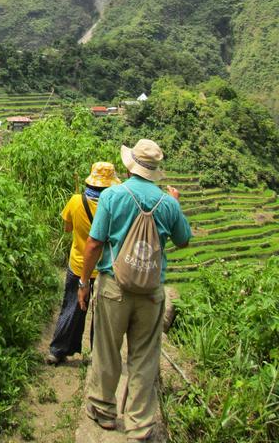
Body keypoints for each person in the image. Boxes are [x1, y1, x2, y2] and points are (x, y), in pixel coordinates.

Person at [77, 139, 192, 442]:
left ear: (130, 167)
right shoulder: (167, 203)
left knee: (106, 349)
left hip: (114, 286)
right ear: (154, 171)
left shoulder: (113, 195)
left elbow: (94, 243)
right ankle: (139, 426)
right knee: (144, 358)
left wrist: (84, 283)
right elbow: (183, 240)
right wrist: (176, 204)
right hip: (151, 292)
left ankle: (102, 410)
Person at [46, 161, 121, 365]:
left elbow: (67, 229)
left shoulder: (75, 201)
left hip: (78, 264)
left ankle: (58, 350)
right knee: (103, 313)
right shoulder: (115, 206)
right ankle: (99, 356)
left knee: (72, 306)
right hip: (106, 269)